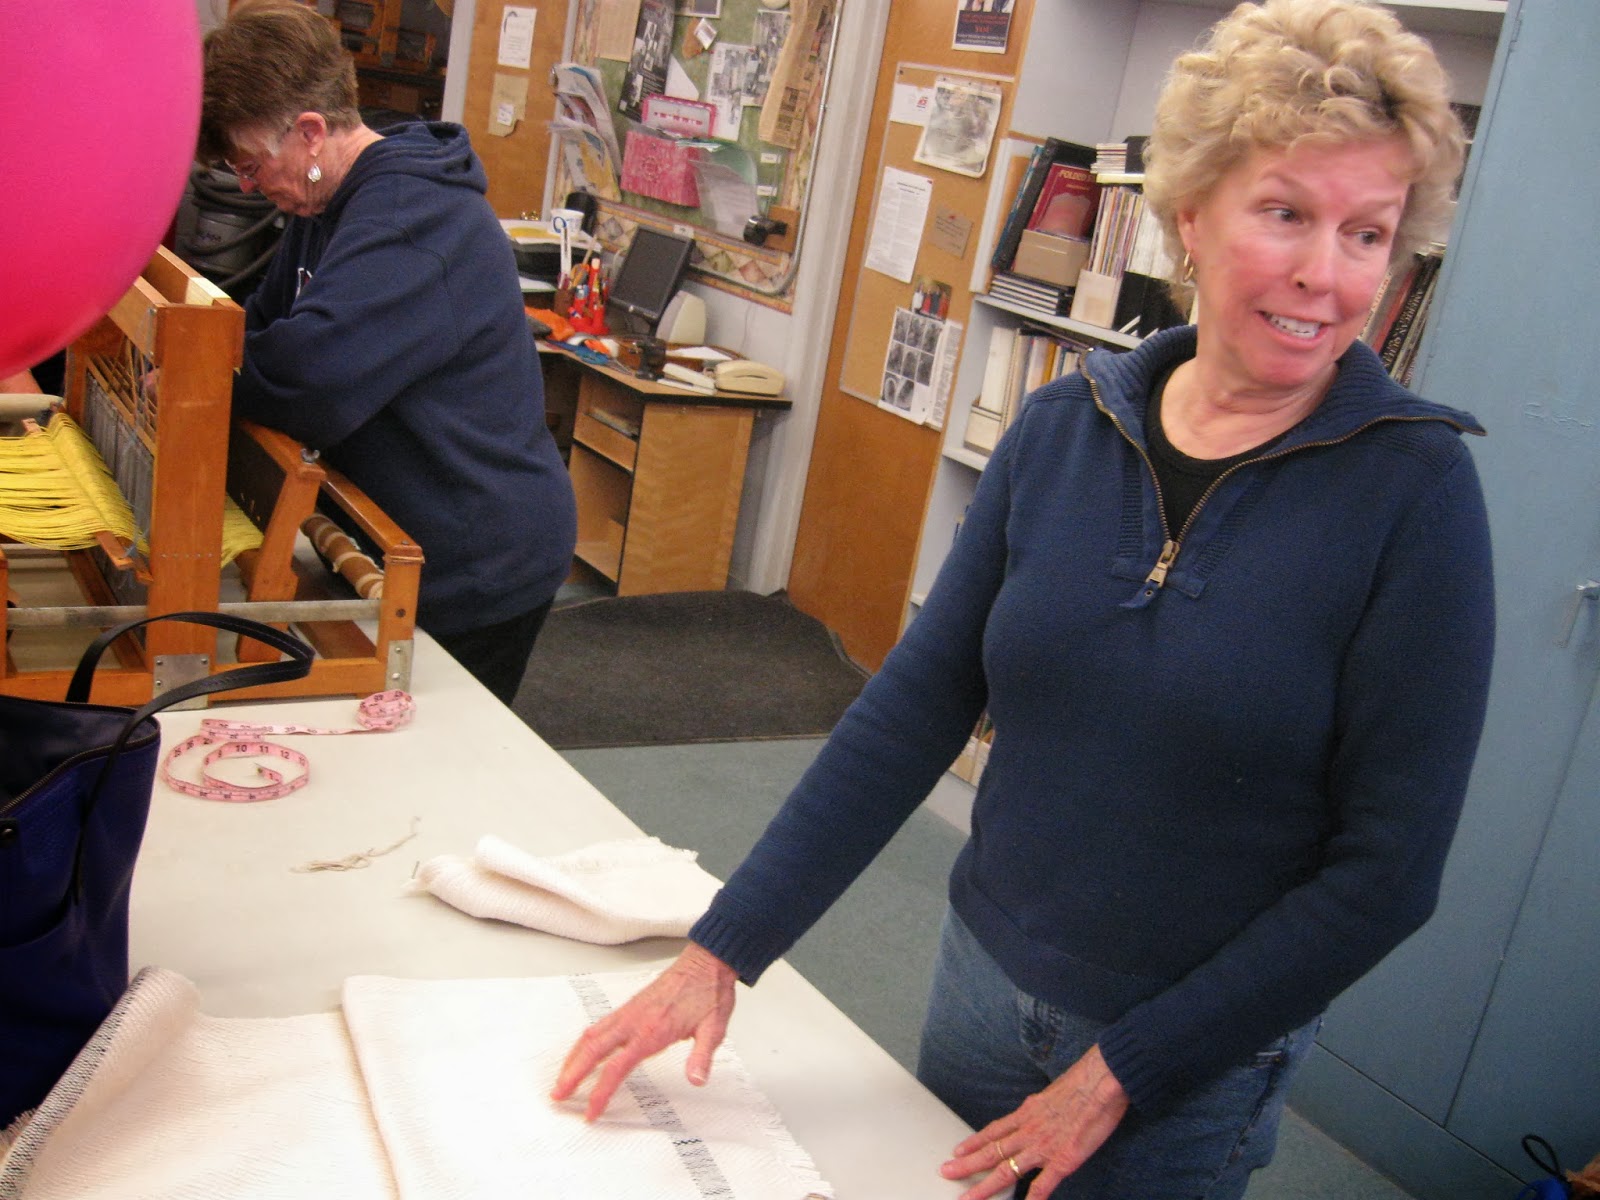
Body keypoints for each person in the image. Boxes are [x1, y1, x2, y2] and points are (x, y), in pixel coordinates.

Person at [554, 1, 1495, 1197]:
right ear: (1190, 215)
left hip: (1190, 1059)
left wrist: (1123, 1072)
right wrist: (721, 952)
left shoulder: (1414, 495)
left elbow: (1387, 875)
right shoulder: (1064, 429)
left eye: (1368, 235)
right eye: (1284, 213)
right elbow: (911, 713)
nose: (1325, 273)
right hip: (980, 983)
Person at [197, 0, 576, 704]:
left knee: (439, 748)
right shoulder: (323, 203)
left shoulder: (411, 217)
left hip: (475, 548)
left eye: (251, 164)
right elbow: (263, 330)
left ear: (310, 132)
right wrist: (207, 358)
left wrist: (202, 374)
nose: (247, 185)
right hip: (396, 531)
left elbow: (310, 380)